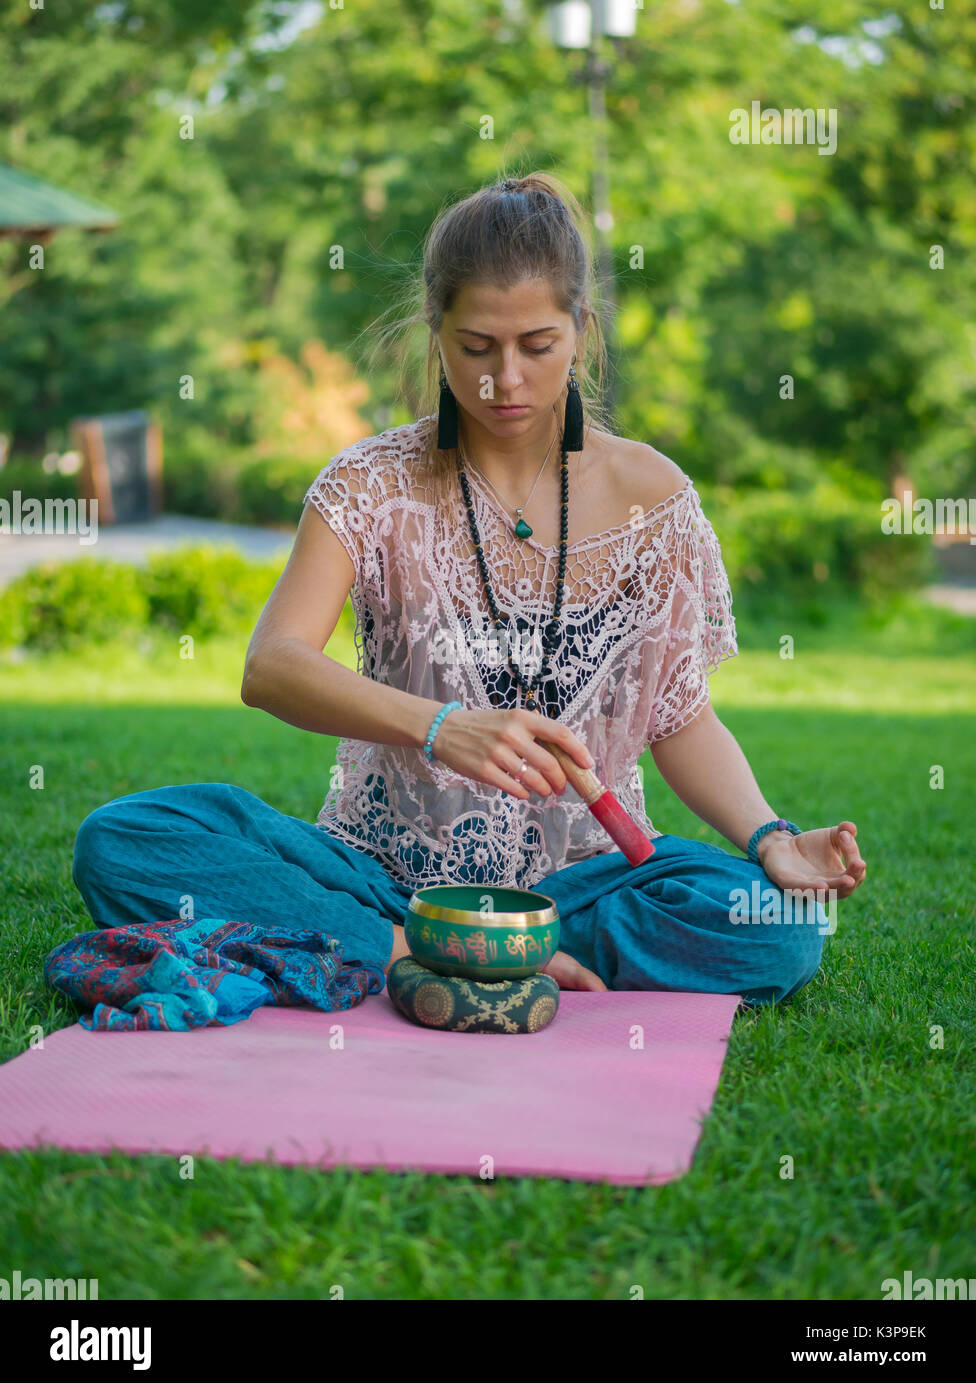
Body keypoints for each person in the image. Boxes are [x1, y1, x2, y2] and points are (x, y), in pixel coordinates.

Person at [71, 172, 866, 1007]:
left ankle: (440, 951)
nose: (506, 380)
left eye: (537, 344)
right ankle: (414, 946)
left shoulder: (653, 497)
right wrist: (441, 727)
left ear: (581, 332)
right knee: (127, 840)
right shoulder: (372, 481)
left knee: (780, 928)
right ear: (436, 334)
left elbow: (680, 715)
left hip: (585, 885)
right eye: (477, 348)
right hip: (379, 879)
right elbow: (272, 664)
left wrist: (771, 837)